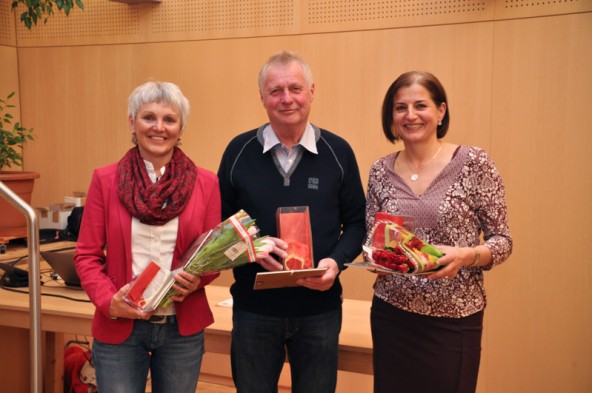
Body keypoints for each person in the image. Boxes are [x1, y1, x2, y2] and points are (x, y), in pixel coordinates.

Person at [217, 50, 366, 393]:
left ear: (311, 91)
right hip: (254, 311)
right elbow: (219, 227)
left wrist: (336, 261)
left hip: (320, 312)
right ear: (262, 98)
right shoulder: (238, 151)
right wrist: (251, 248)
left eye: (295, 88)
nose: (286, 99)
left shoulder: (338, 152)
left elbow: (358, 222)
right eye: (275, 90)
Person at [366, 71, 513, 393]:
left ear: (441, 111)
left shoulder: (474, 163)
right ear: (391, 116)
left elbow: (503, 241)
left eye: (421, 105)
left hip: (455, 318)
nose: (411, 115)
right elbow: (373, 240)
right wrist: (376, 257)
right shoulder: (380, 170)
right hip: (392, 314)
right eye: (400, 107)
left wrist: (465, 255)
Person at [74, 81, 221, 393]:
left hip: (181, 329)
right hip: (119, 329)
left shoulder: (206, 183)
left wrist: (199, 279)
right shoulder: (105, 180)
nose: (159, 128)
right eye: (148, 117)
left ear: (181, 128)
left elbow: (212, 257)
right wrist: (109, 302)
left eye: (169, 119)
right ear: (132, 122)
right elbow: (86, 256)